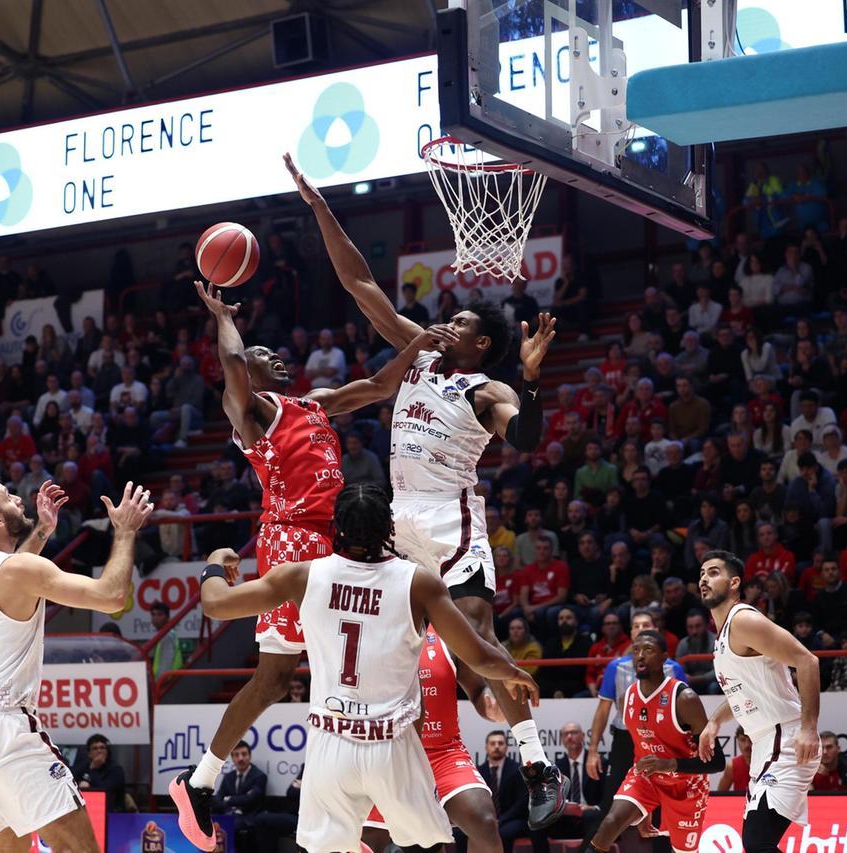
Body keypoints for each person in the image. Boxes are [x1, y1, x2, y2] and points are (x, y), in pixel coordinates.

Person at [287, 153, 566, 825]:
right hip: (396, 523)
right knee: (409, 654)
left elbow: (526, 440)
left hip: (451, 522)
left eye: (465, 321)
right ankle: (391, 773)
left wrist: (529, 379)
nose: (451, 319)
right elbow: (359, 282)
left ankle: (535, 763)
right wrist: (322, 207)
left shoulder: (486, 387)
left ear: (481, 344)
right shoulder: (417, 352)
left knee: (479, 649)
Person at [170, 281, 452, 842]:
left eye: (271, 353)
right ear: (245, 375)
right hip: (293, 540)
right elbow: (229, 358)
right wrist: (225, 318)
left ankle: (376, 778)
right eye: (260, 356)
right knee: (277, 678)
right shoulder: (248, 412)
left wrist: (416, 349)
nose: (272, 356)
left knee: (374, 649)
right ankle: (202, 781)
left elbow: (376, 386)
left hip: (343, 538)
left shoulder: (314, 402)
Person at [194, 482, 540, 853]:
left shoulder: (301, 575)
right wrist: (513, 672)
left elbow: (215, 604)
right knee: (430, 843)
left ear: (336, 530)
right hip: (392, 745)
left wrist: (214, 561)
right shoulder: (418, 583)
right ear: (389, 529)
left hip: (330, 744)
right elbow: (480, 655)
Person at [0, 472, 153, 852]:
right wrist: (123, 530)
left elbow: (13, 575)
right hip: (5, 730)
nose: (18, 501)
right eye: (8, 498)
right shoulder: (17, 571)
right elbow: (112, 597)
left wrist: (42, 530)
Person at [699, 550, 821, 852]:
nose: (704, 579)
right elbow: (742, 694)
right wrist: (714, 721)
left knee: (757, 842)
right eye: (701, 573)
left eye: (713, 572)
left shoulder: (743, 621)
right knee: (757, 843)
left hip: (787, 738)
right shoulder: (724, 634)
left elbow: (808, 662)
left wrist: (808, 728)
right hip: (766, 744)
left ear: (734, 583)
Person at [363, 626, 508, 853]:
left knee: (484, 820)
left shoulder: (447, 632)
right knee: (366, 838)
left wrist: (491, 707)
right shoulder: (377, 630)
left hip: (444, 753)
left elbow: (479, 690)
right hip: (390, 755)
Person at [584, 630, 723, 853]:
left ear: (663, 658)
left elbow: (717, 763)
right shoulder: (627, 697)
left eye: (648, 650)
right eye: (636, 650)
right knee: (610, 823)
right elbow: (642, 747)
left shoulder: (684, 699)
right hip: (646, 778)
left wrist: (669, 765)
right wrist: (644, 807)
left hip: (686, 784)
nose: (640, 655)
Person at [585, 611, 686, 822]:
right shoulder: (615, 667)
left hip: (662, 742)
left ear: (656, 630)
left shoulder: (674, 669)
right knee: (609, 806)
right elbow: (602, 711)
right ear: (631, 633)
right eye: (636, 626)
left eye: (646, 624)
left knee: (663, 807)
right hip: (625, 740)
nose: (641, 629)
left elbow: (685, 713)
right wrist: (593, 750)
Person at [545, 723, 602, 852]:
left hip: (592, 816)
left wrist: (593, 807)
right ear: (562, 740)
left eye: (574, 732)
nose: (570, 737)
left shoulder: (598, 762)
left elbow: (610, 796)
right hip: (566, 819)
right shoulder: (556, 767)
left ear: (582, 736)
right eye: (566, 734)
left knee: (590, 816)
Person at [477, 731, 529, 853]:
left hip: (512, 819)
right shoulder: (478, 771)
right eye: (492, 743)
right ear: (486, 747)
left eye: (500, 743)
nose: (496, 747)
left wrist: (501, 820)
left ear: (506, 747)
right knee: (463, 832)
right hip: (485, 820)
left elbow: (521, 803)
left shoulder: (518, 770)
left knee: (502, 833)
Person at [213, 740, 267, 841]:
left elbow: (249, 800)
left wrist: (228, 799)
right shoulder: (229, 777)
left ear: (249, 756)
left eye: (244, 754)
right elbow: (218, 799)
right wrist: (231, 801)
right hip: (228, 815)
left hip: (249, 817)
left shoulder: (260, 776)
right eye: (236, 755)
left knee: (231, 825)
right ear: (232, 758)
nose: (240, 758)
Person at [149, 602, 183, 677]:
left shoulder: (167, 636)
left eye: (159, 614)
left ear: (168, 618)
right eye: (153, 615)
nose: (155, 618)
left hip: (165, 684)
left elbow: (165, 667)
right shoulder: (164, 635)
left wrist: (159, 684)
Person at [717, 727, 752, 792]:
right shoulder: (732, 766)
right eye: (743, 740)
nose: (747, 745)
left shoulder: (767, 763)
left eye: (751, 740)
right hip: (740, 802)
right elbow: (720, 795)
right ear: (737, 740)